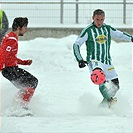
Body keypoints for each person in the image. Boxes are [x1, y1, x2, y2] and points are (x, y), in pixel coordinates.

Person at [73, 9, 133, 108]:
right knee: (99, 76)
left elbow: (120, 34)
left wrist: (131, 38)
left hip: (107, 61)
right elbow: (76, 44)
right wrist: (80, 59)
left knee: (116, 85)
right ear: (93, 18)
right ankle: (109, 100)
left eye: (102, 19)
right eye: (97, 19)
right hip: (94, 61)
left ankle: (104, 106)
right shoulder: (88, 30)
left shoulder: (107, 28)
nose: (99, 22)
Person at [0, 17, 38, 109]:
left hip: (10, 69)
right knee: (32, 82)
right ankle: (21, 107)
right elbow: (3, 55)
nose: (26, 29)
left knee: (26, 86)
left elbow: (10, 57)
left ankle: (15, 106)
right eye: (25, 27)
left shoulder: (10, 37)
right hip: (9, 70)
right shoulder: (11, 39)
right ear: (18, 28)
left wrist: (24, 62)